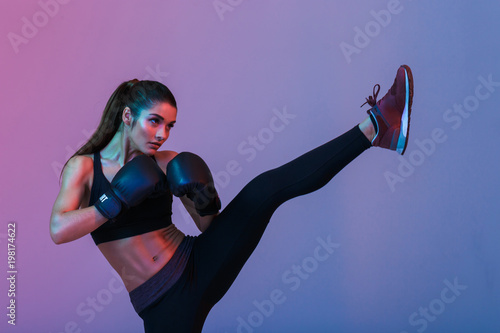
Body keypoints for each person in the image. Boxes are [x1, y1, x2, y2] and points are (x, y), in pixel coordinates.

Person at [50, 65, 414, 332]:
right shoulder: (84, 168)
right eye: (154, 121)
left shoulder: (166, 163)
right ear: (128, 116)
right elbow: (59, 229)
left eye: (169, 126)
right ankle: (380, 129)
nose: (162, 134)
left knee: (265, 190)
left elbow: (209, 226)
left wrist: (205, 200)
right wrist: (111, 202)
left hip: (198, 262)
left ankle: (377, 127)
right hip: (160, 303)